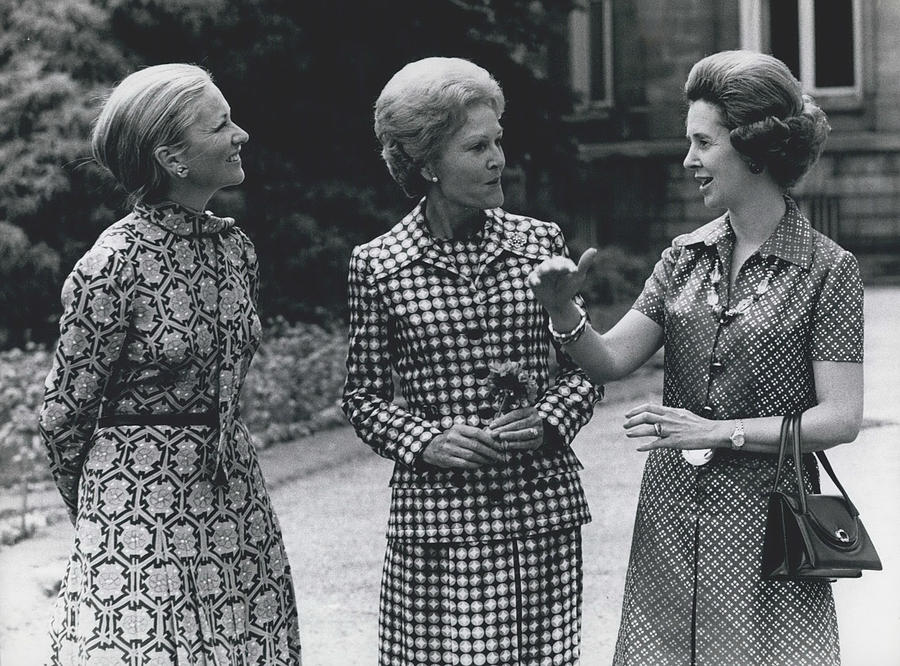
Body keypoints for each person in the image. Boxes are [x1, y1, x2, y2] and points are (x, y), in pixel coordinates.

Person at [528, 50, 862, 665]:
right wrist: (561, 311)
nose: (688, 161)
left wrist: (716, 432)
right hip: (672, 518)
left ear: (754, 149)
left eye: (702, 143)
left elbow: (839, 420)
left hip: (771, 530)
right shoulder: (684, 254)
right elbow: (608, 361)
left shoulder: (827, 270)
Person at [342, 56, 603, 666]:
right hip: (438, 524)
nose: (497, 159)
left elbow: (585, 368)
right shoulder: (378, 264)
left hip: (539, 513)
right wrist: (427, 440)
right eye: (476, 146)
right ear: (427, 163)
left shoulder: (540, 244)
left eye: (498, 142)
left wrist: (550, 421)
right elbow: (362, 398)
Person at [39, 64, 302, 664]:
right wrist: (106, 514)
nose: (242, 134)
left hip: (236, 505)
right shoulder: (112, 264)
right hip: (137, 509)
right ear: (173, 159)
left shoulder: (236, 248)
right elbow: (63, 416)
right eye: (221, 125)